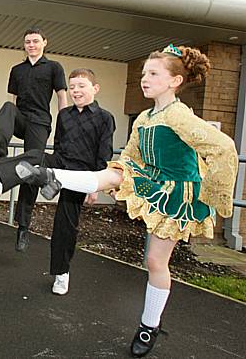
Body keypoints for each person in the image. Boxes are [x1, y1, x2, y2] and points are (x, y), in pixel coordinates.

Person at [18, 45, 238, 357]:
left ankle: (149, 326)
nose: (144, 79)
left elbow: (224, 148)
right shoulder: (145, 118)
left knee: (155, 262)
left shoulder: (179, 116)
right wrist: (115, 180)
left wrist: (214, 197)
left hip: (176, 194)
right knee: (114, 173)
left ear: (175, 81)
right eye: (144, 73)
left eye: (153, 74)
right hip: (151, 181)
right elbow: (130, 159)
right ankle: (48, 175)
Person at [0, 68, 115, 295]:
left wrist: (95, 186)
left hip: (82, 175)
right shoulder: (64, 115)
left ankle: (61, 273)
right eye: (73, 86)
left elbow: (103, 155)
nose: (76, 91)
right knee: (36, 154)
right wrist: (50, 168)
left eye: (81, 86)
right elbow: (58, 145)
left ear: (95, 89)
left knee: (65, 226)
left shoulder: (105, 118)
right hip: (60, 161)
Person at [0, 27, 68, 252]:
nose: (31, 45)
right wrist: (7, 126)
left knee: (32, 169)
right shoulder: (17, 70)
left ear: (44, 43)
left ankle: (23, 227)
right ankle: (0, 143)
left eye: (36, 41)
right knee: (9, 107)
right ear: (24, 44)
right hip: (21, 119)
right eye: (28, 41)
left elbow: (61, 96)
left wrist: (66, 123)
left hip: (39, 122)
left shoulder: (53, 67)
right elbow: (12, 99)